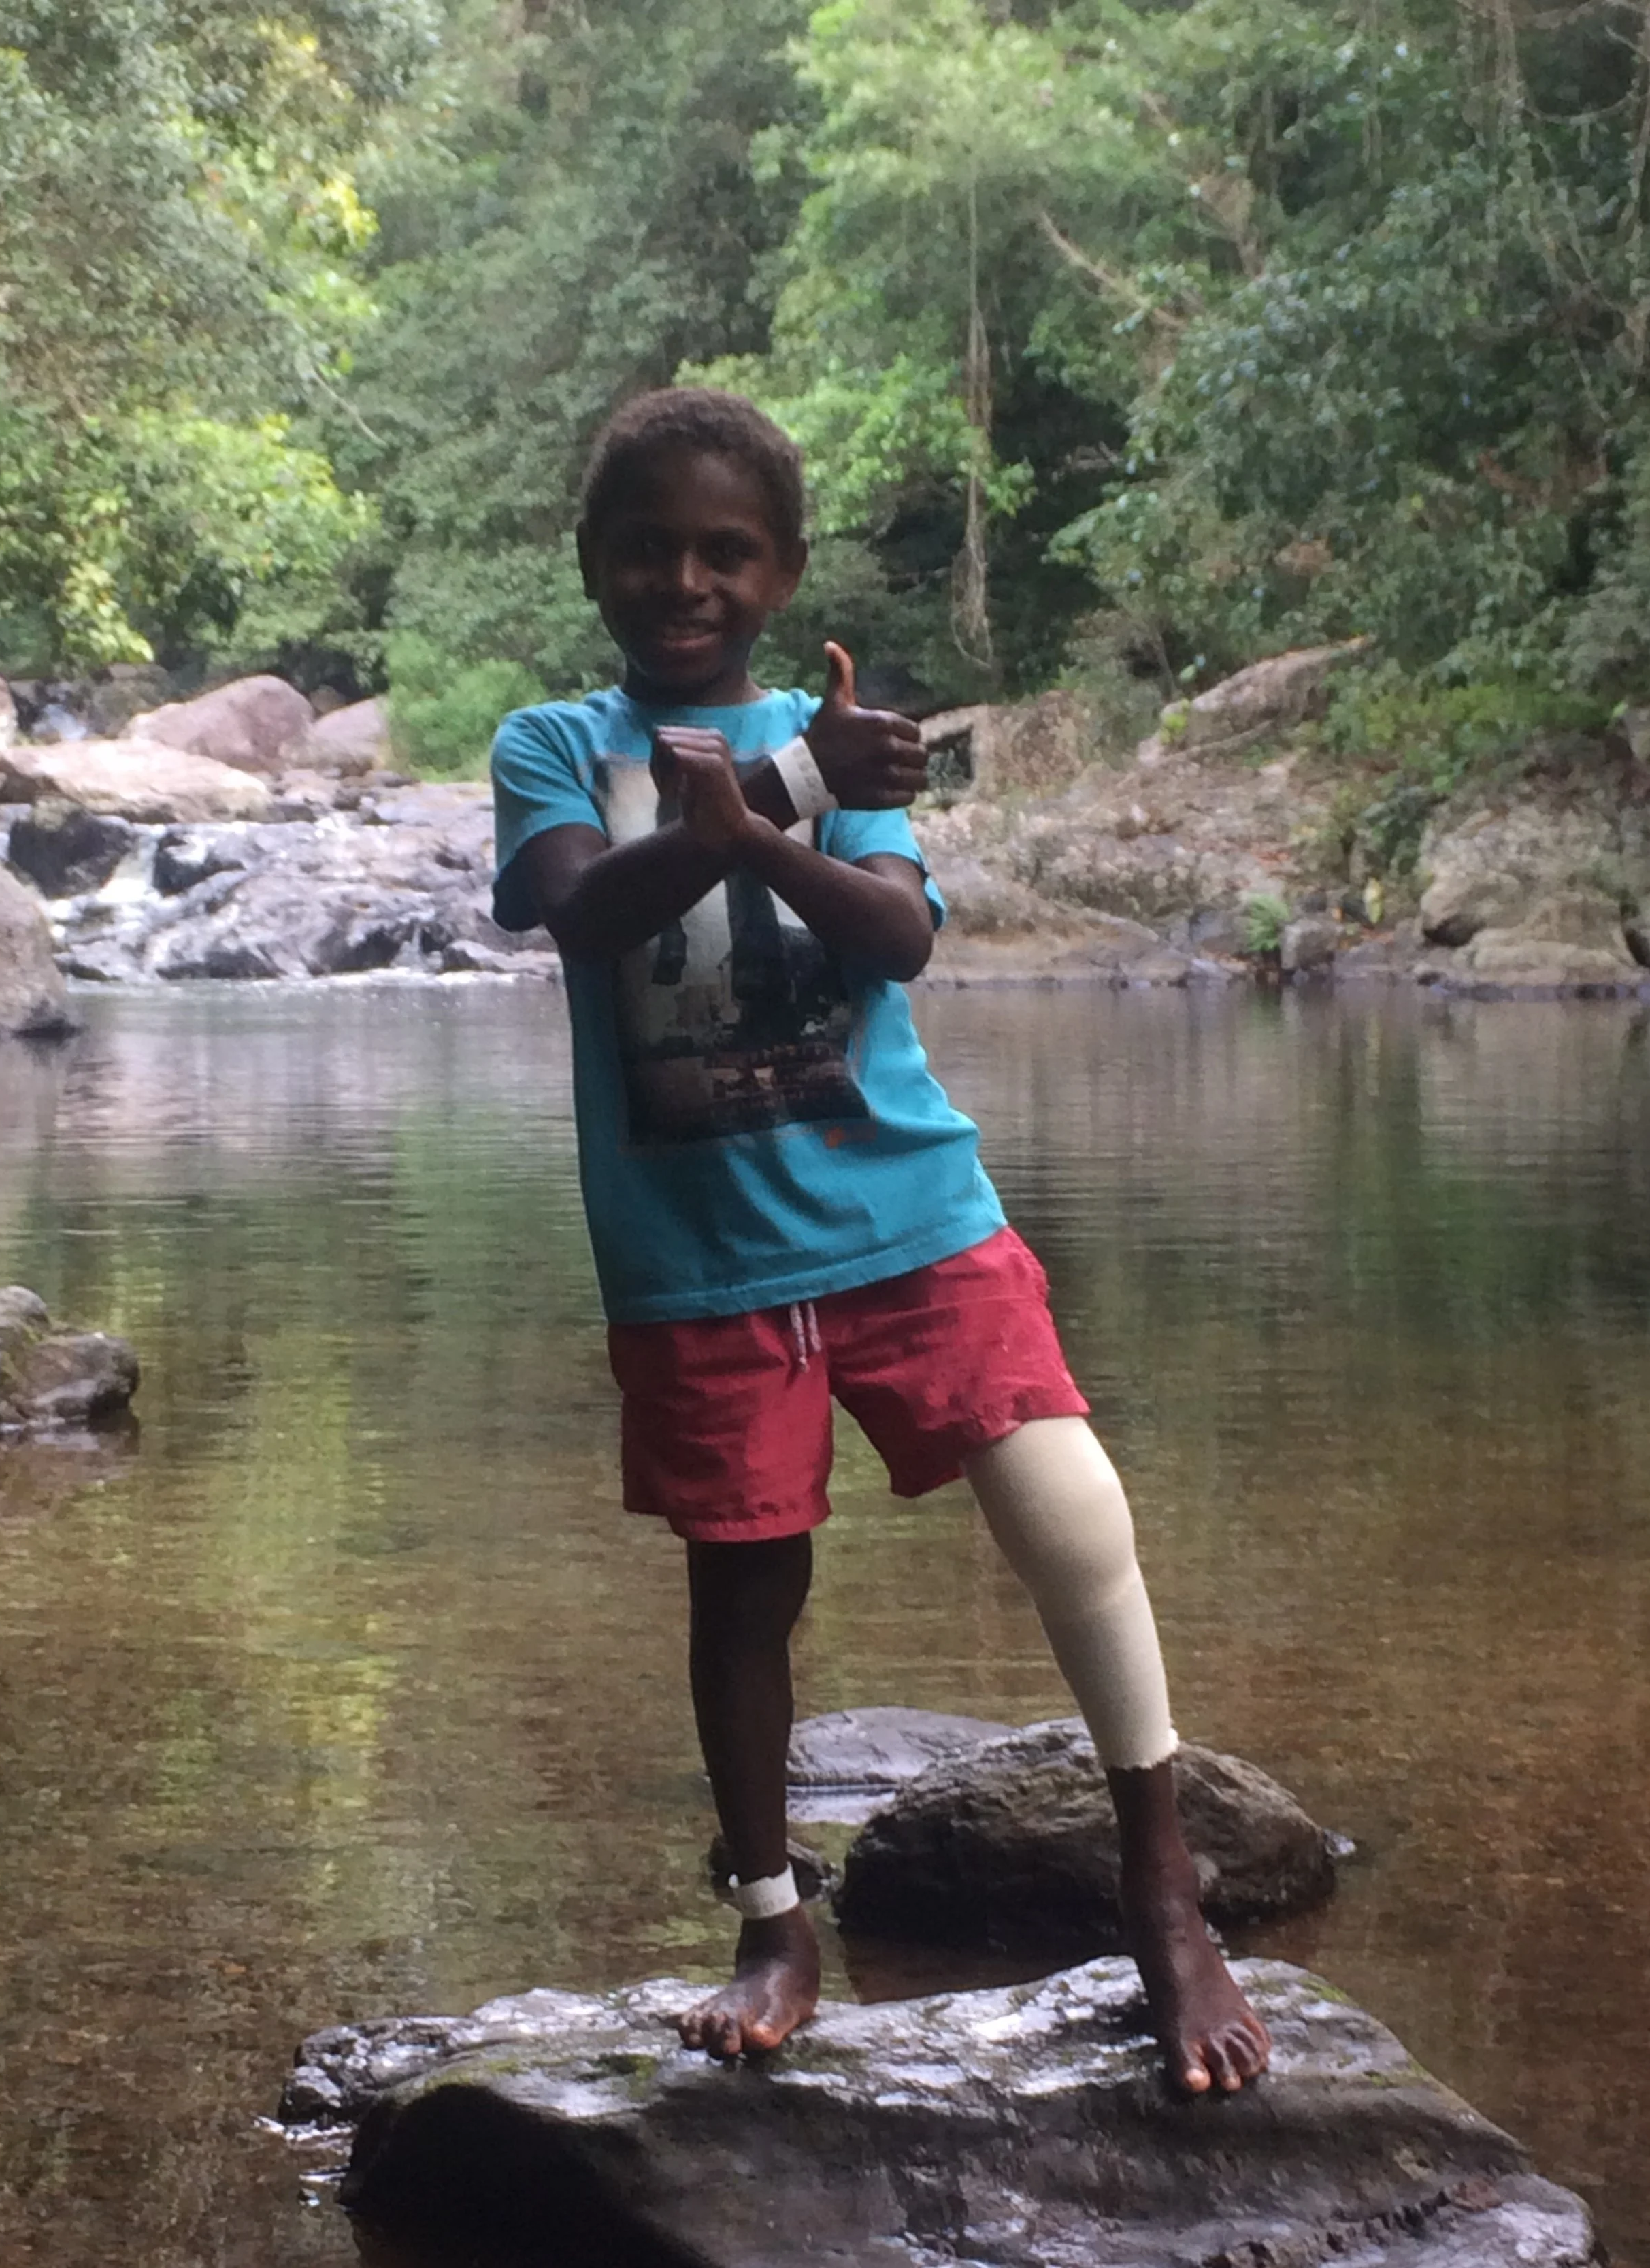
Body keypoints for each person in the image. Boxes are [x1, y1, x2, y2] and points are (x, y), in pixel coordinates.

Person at [490, 387, 1271, 2097]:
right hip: (699, 1255)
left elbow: (897, 941)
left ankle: (1163, 1892)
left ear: (778, 572)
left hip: (908, 1208)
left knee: (1069, 1505)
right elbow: (582, 914)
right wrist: (776, 788)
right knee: (745, 1585)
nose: (682, 578)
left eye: (724, 550)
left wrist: (774, 808)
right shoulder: (551, 745)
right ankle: (775, 1922)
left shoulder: (846, 739)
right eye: (648, 547)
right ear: (594, 564)